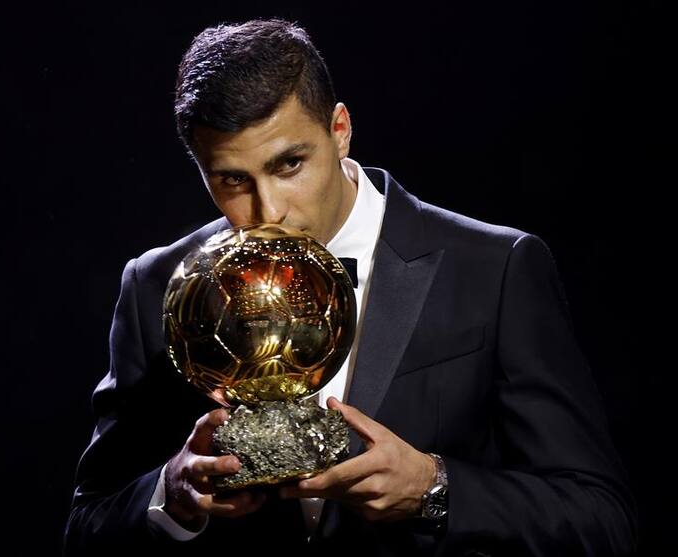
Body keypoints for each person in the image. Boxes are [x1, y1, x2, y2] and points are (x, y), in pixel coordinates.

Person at [63, 18, 637, 557]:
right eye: (233, 180)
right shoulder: (158, 284)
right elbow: (86, 527)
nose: (269, 212)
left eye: (290, 165)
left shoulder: (497, 268)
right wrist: (171, 495)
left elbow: (601, 518)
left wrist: (434, 489)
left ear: (340, 130)